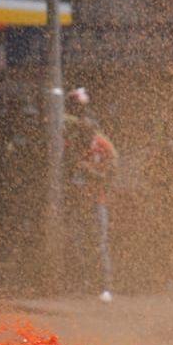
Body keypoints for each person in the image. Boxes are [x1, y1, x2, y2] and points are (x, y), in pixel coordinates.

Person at [63, 87, 118, 303]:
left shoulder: (103, 145)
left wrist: (92, 173)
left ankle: (104, 285)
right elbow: (66, 168)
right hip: (77, 199)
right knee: (77, 240)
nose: (84, 128)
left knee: (99, 243)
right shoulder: (72, 143)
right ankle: (81, 282)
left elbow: (112, 169)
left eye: (88, 124)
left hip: (97, 200)